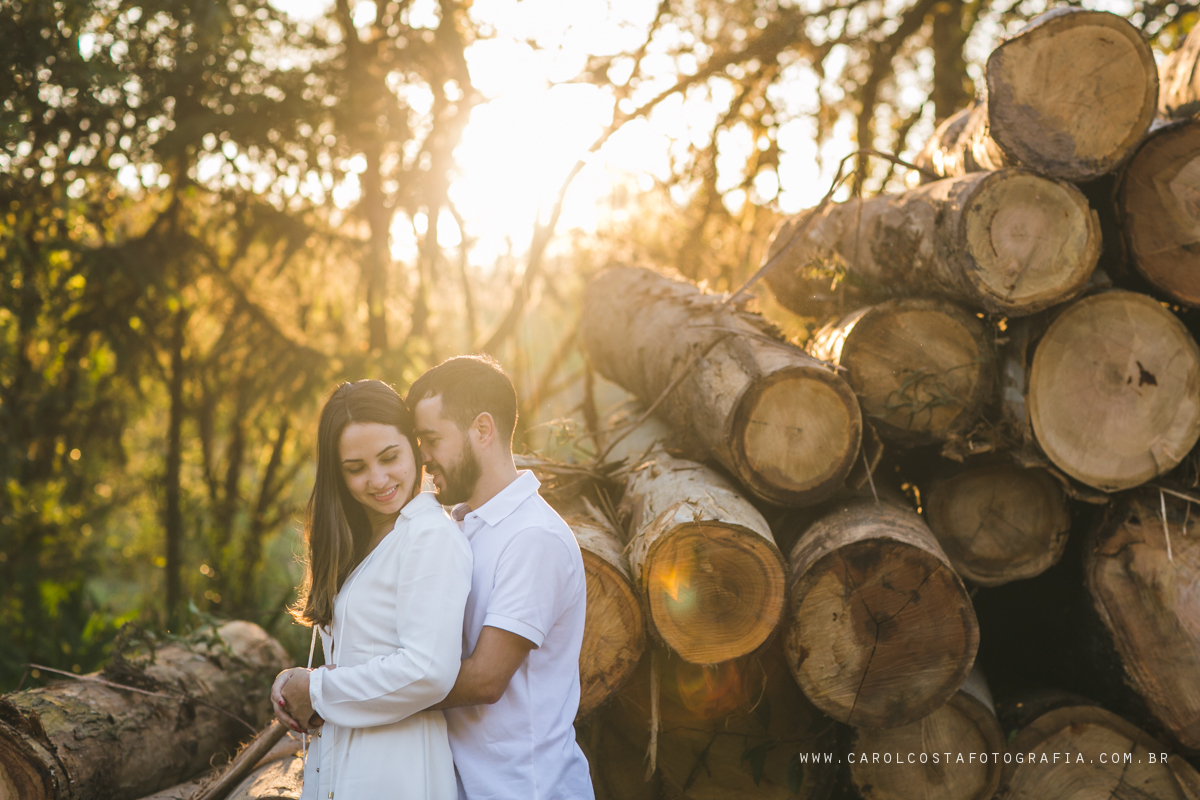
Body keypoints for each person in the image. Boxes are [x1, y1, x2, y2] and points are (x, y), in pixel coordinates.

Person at [270, 380, 473, 800]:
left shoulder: (429, 536)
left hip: (397, 771)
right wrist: (294, 682)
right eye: (355, 468)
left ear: (414, 447)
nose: (378, 479)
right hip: (340, 766)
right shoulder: (361, 542)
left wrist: (315, 691)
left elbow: (428, 670)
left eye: (389, 457)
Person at [408, 356, 595, 800]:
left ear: (482, 430)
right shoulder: (457, 527)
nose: (423, 458)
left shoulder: (533, 537)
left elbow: (485, 679)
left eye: (432, 439)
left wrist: (353, 694)